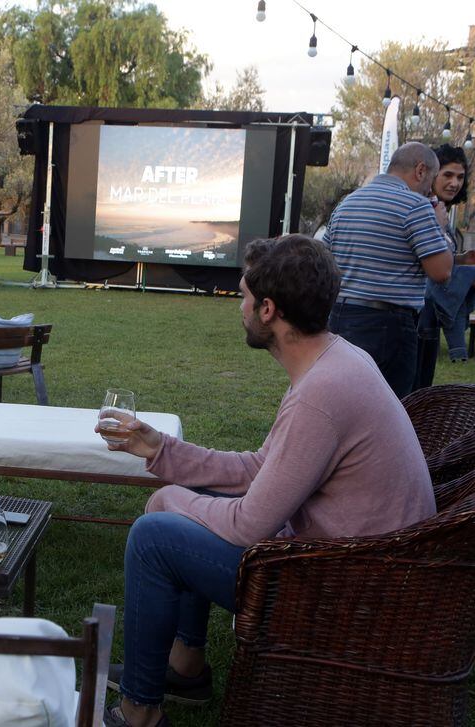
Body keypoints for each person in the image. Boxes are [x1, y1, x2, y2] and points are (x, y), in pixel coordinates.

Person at [98, 235, 434, 727]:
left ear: (269, 310)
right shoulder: (337, 360)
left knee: (154, 538)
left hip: (345, 583)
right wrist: (161, 450)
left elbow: (249, 526)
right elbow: (261, 470)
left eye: (243, 297)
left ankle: (139, 712)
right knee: (193, 503)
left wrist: (171, 499)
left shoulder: (321, 394)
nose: (240, 307)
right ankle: (184, 667)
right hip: (358, 561)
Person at [325, 141, 453, 397]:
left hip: (339, 317)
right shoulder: (415, 207)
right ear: (420, 171)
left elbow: (326, 260)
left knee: (342, 399)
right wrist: (439, 227)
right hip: (388, 326)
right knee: (387, 408)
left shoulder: (347, 203)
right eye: (433, 177)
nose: (431, 188)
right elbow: (442, 272)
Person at [415, 144, 475, 385]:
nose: (455, 183)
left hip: (428, 320)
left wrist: (462, 259)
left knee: (422, 387)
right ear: (431, 175)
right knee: (414, 391)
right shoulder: (423, 210)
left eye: (460, 177)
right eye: (448, 175)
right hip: (417, 317)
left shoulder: (439, 210)